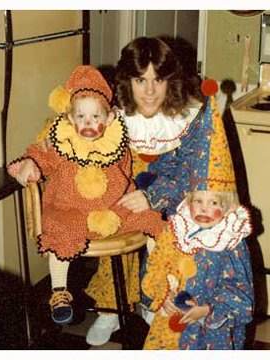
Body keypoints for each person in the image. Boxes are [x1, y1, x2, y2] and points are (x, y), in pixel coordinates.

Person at [84, 36, 220, 346]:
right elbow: (70, 132)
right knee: (113, 220)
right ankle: (111, 306)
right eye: (139, 79)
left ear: (170, 80)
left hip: (172, 193)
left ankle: (153, 302)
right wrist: (33, 158)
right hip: (126, 184)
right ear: (126, 80)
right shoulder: (114, 113)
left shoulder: (189, 116)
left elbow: (190, 171)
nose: (148, 90)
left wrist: (154, 196)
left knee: (166, 238)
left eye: (157, 80)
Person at [7, 65, 164, 326]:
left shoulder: (118, 140)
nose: (88, 123)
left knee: (152, 220)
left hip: (116, 211)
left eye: (95, 116)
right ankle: (59, 292)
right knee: (57, 228)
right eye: (81, 116)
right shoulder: (61, 140)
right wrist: (31, 163)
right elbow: (41, 155)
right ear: (70, 118)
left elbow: (136, 168)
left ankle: (157, 281)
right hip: (73, 211)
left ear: (110, 117)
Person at [141, 95, 254, 349]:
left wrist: (207, 310)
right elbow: (157, 266)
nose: (204, 209)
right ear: (188, 200)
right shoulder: (177, 229)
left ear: (226, 205)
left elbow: (241, 294)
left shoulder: (229, 242)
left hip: (210, 333)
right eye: (198, 202)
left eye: (213, 203)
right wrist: (163, 296)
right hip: (171, 323)